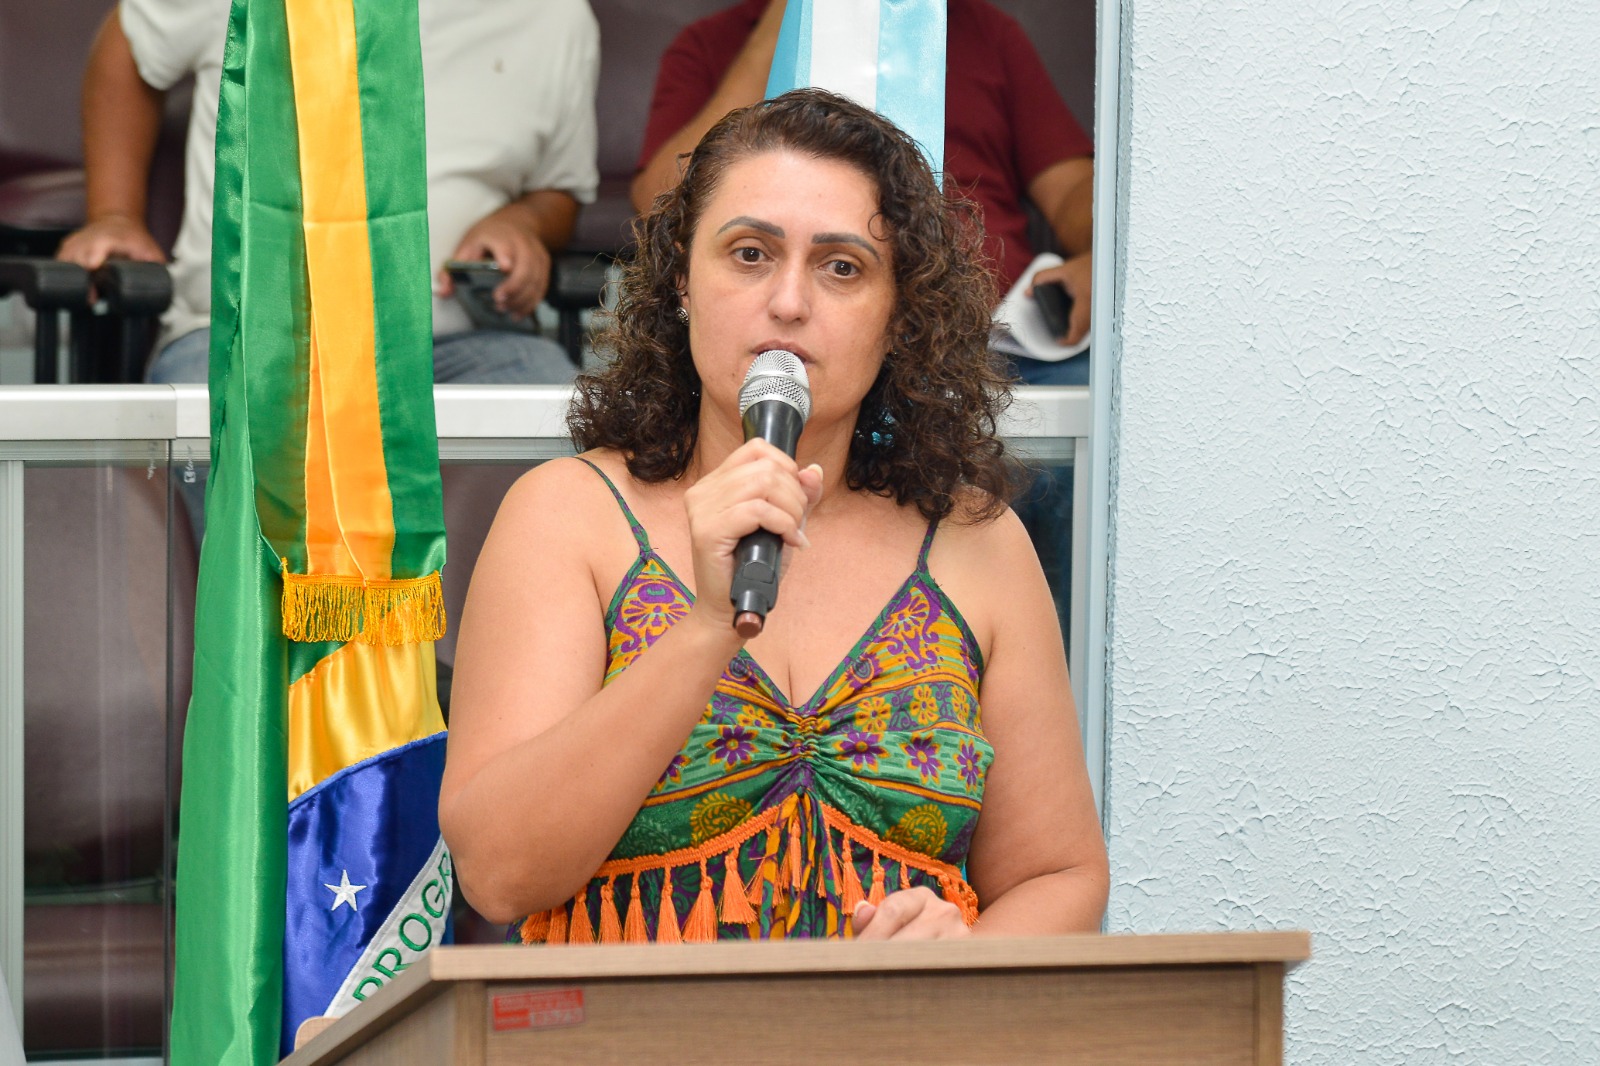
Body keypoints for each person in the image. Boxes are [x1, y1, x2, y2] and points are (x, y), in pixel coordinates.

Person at [440, 89, 1107, 943]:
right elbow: (498, 874)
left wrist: (963, 956)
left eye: (842, 267)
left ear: (900, 315)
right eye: (750, 254)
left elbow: (1060, 875)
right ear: (682, 281)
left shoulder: (977, 542)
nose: (790, 301)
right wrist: (708, 626)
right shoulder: (568, 515)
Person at [58, 0, 600, 386]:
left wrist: (524, 224)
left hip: (465, 347)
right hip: (250, 337)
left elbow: (560, 189)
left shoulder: (556, 16)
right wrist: (114, 214)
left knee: (560, 433)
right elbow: (128, 47)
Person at [630, 0, 1095, 384]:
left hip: (997, 346)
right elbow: (662, 204)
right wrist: (790, 18)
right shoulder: (713, 43)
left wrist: (1107, 263)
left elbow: (1072, 188)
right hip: (780, 342)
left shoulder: (984, 32)